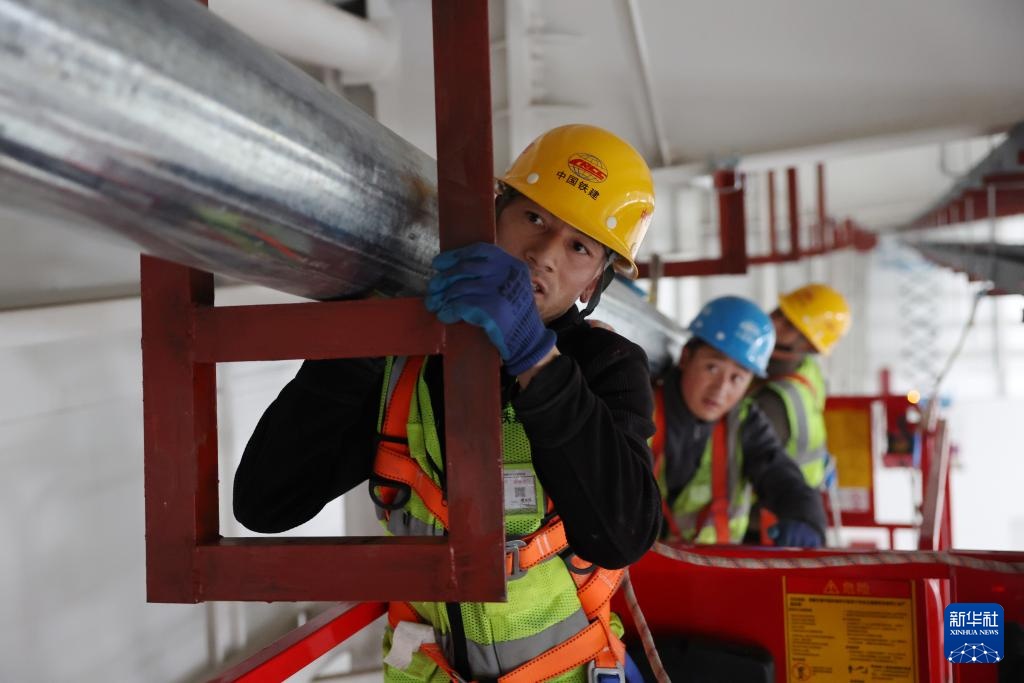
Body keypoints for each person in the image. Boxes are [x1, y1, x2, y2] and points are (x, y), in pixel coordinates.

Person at [233, 124, 661, 682]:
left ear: (593, 282)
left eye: (578, 246)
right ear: (494, 216)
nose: (543, 254)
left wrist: (537, 360)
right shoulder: (404, 366)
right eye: (533, 218)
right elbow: (265, 504)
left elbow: (622, 534)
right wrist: (364, 340)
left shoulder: (606, 366)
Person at [650, 296, 827, 547]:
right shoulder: (642, 407)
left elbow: (779, 474)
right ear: (686, 358)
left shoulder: (745, 423)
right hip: (624, 572)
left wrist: (805, 518)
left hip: (707, 575)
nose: (720, 389)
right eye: (712, 367)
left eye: (737, 378)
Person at [743, 284, 851, 544]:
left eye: (789, 326)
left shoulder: (772, 403)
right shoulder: (807, 370)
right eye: (780, 312)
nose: (774, 322)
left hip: (758, 516)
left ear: (809, 346)